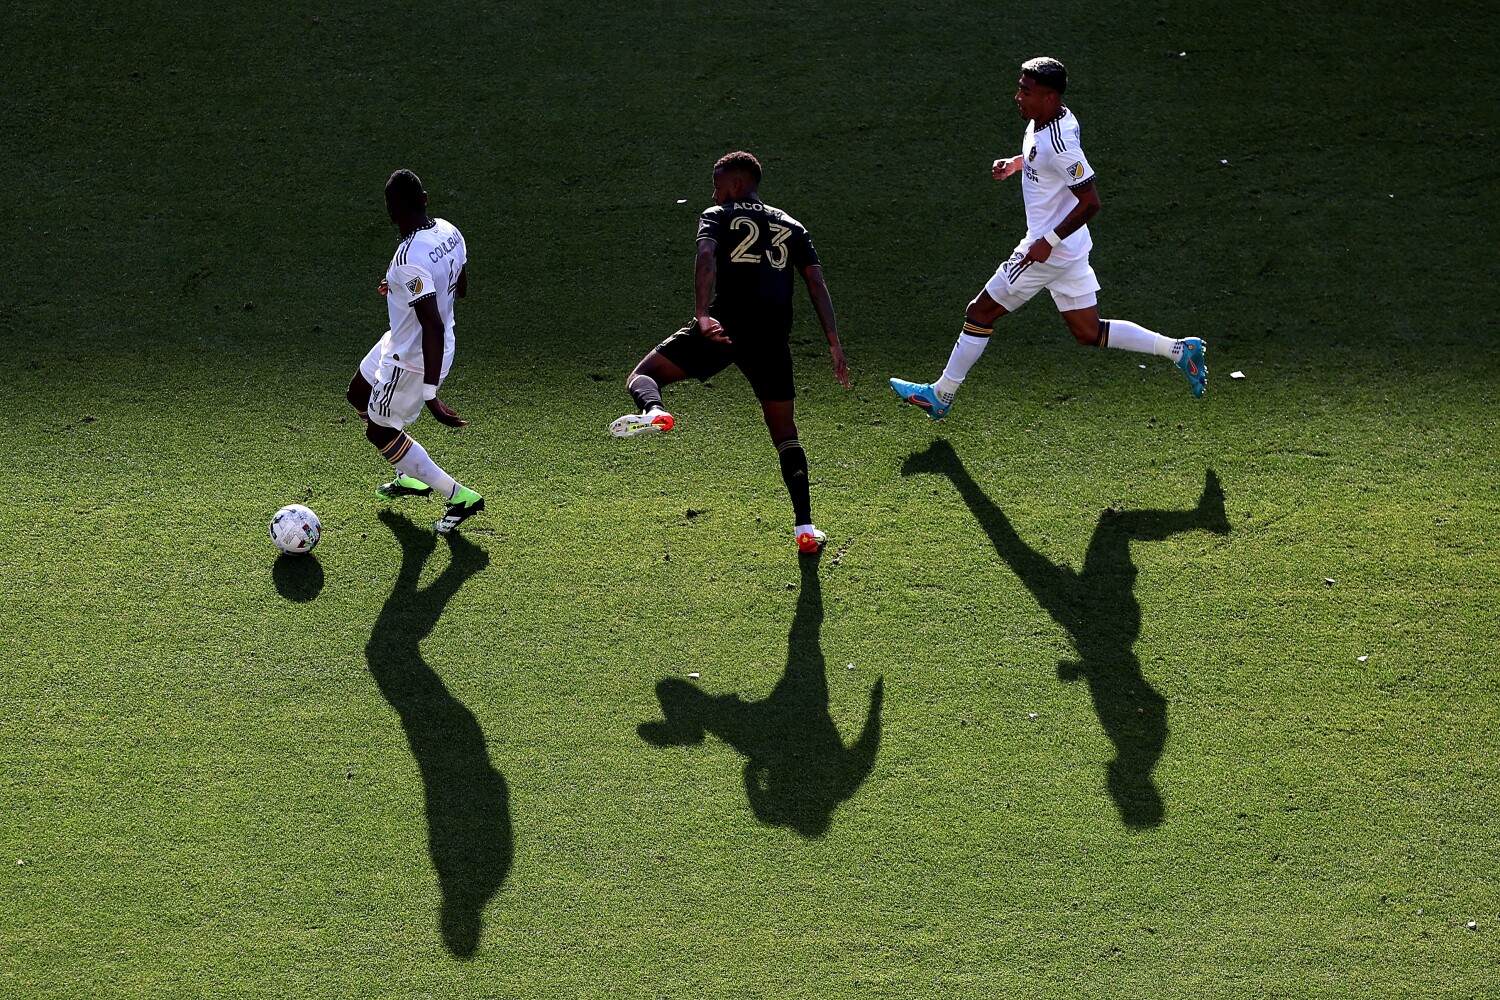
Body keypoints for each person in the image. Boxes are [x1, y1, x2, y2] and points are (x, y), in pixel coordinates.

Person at [890, 56, 1206, 419]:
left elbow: (1091, 202)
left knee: (979, 313)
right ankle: (1180, 351)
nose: (1018, 96)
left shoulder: (1060, 144)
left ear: (1050, 97)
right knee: (1088, 332)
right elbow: (1043, 159)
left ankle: (940, 395)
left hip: (1046, 252)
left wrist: (1049, 241)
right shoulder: (1049, 120)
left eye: (1026, 91)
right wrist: (1016, 163)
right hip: (1070, 250)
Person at [609, 151, 850, 554]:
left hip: (726, 327)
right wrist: (834, 344)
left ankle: (654, 413)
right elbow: (816, 284)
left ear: (736, 184)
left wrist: (702, 315)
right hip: (772, 337)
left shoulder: (717, 214)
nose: (714, 191)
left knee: (642, 377)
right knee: (786, 435)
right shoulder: (792, 224)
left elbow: (706, 257)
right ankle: (805, 529)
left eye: (717, 183)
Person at [345, 169, 484, 535]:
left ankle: (458, 497)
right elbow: (460, 288)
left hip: (414, 357)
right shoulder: (449, 231)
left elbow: (432, 325)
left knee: (379, 432)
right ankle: (410, 473)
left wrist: (431, 394)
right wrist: (398, 288)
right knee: (357, 392)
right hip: (404, 340)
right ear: (424, 198)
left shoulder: (407, 257)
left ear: (390, 211)